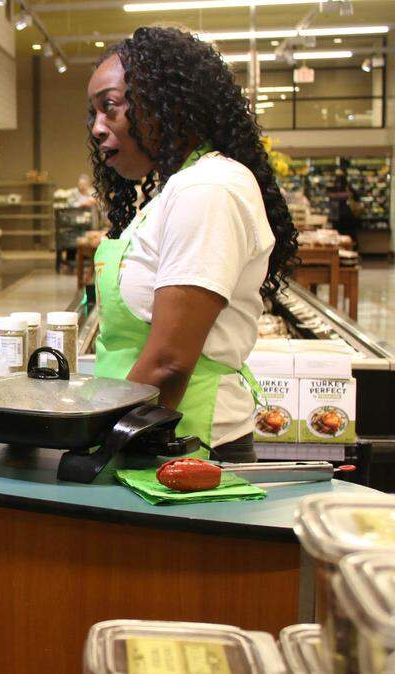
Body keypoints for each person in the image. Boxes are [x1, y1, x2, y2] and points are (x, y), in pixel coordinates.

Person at [86, 27, 299, 462]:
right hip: (142, 429)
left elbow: (169, 361)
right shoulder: (173, 189)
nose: (96, 128)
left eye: (110, 107)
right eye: (92, 113)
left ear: (162, 100)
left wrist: (97, 448)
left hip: (184, 443)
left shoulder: (209, 188)